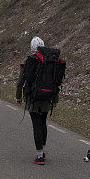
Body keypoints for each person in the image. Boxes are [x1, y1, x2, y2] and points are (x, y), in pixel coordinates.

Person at [16, 36, 58, 165]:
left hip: (33, 99)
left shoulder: (30, 61)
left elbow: (20, 81)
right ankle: (43, 150)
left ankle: (39, 155)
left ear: (32, 47)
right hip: (47, 99)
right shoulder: (51, 61)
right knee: (43, 123)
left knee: (36, 125)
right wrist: (55, 99)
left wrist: (18, 96)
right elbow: (56, 82)